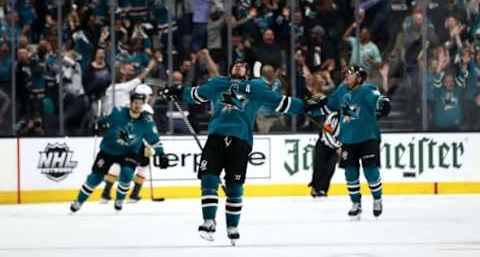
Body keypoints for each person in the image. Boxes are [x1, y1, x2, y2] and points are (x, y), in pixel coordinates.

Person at [161, 59, 310, 245]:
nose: (238, 66)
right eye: (235, 64)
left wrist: (306, 105)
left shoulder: (256, 88)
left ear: (247, 73)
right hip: (215, 138)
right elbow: (195, 94)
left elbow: (282, 102)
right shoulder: (218, 84)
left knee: (234, 187)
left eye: (242, 65)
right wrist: (176, 91)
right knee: (208, 178)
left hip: (240, 141)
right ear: (230, 69)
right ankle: (209, 221)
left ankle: (232, 226)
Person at [70, 90, 169, 213]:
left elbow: (154, 139)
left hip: (129, 153)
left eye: (140, 103)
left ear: (143, 105)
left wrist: (162, 154)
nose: (137, 105)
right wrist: (97, 124)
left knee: (127, 173)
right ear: (131, 103)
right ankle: (78, 201)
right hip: (108, 150)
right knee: (95, 177)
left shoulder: (147, 121)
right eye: (135, 102)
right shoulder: (117, 112)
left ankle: (119, 200)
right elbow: (102, 121)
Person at [317, 65, 391, 220]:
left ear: (359, 78)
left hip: (368, 137)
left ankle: (377, 198)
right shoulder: (341, 91)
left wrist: (383, 103)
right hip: (348, 139)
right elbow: (328, 104)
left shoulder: (367, 90)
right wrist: (310, 102)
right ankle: (356, 204)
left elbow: (378, 99)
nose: (346, 76)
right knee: (350, 173)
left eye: (350, 74)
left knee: (370, 170)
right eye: (346, 74)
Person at [101, 83, 156, 203]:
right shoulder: (146, 110)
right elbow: (145, 130)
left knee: (116, 165)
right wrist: (149, 145)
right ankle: (134, 195)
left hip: (126, 141)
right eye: (149, 96)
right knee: (143, 167)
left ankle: (106, 194)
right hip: (138, 144)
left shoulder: (128, 106)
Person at [308, 111, 341, 199]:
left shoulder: (351, 120)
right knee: (319, 166)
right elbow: (326, 133)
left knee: (330, 167)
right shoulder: (332, 117)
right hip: (323, 144)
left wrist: (342, 146)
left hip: (336, 148)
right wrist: (337, 145)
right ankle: (315, 187)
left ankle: (323, 189)